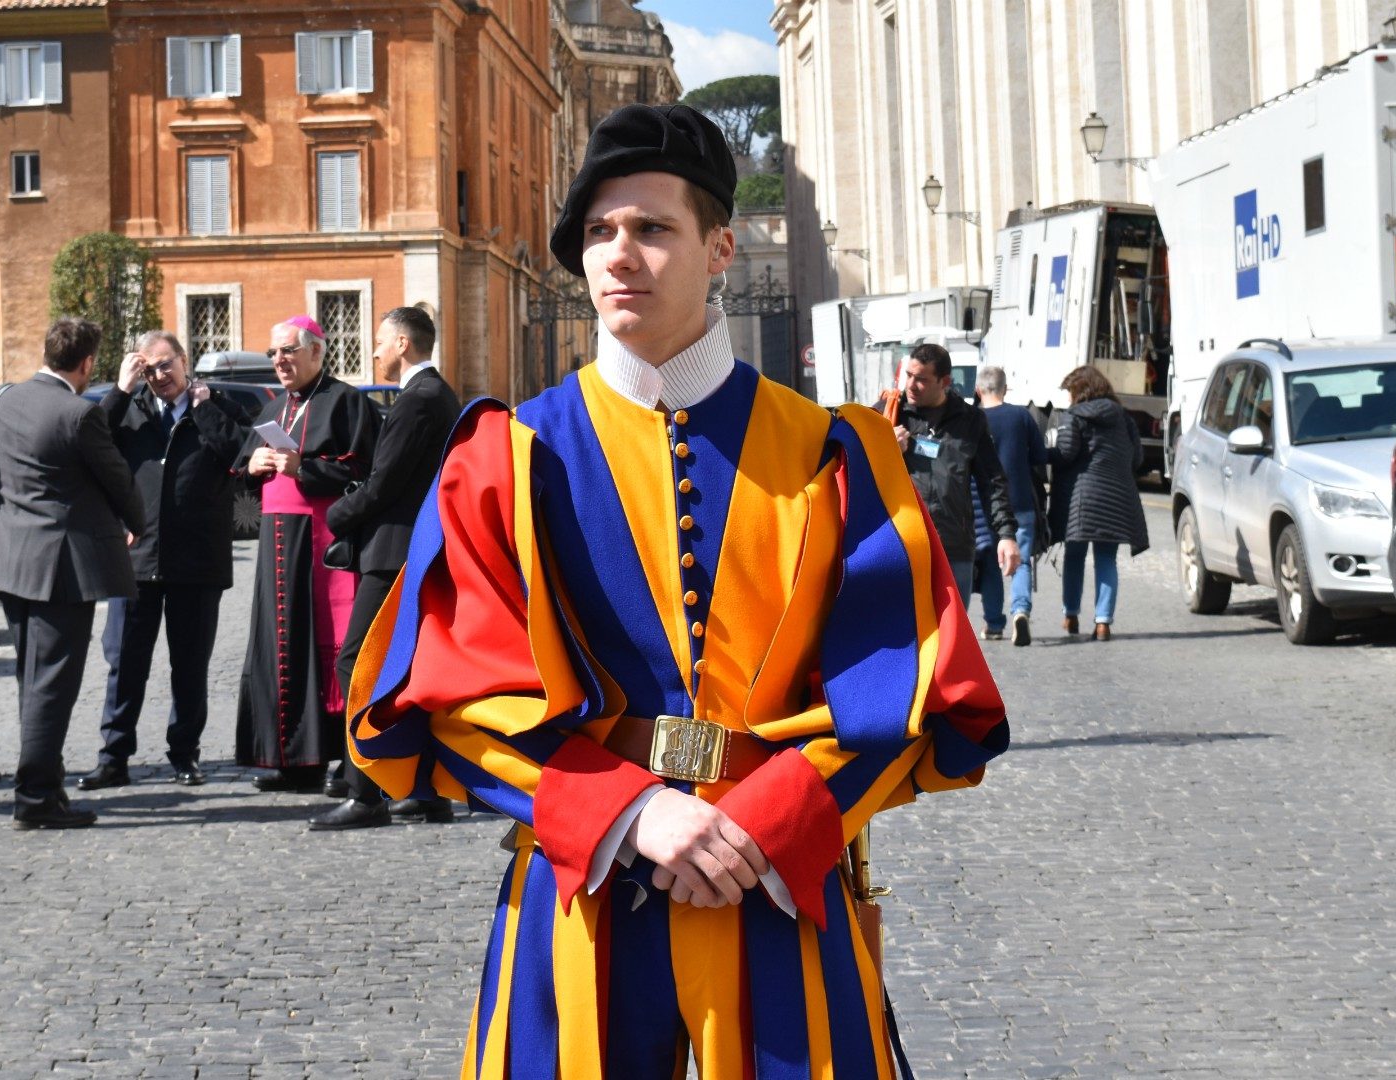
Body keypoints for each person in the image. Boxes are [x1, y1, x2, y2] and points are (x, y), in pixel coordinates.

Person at [346, 103, 1009, 1077]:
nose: (620, 254)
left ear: (721, 248)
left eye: (653, 228)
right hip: (586, 881)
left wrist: (768, 818)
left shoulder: (835, 455)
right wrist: (632, 811)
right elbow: (451, 692)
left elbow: (908, 687)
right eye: (599, 232)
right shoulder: (507, 458)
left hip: (777, 872)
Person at [0, 318, 145, 829]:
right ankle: (36, 797)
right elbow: (117, 479)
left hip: (12, 558)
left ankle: (43, 782)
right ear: (88, 363)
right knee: (52, 683)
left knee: (33, 679)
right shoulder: (79, 414)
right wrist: (137, 522)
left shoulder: (5, 400)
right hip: (61, 564)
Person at [308, 306, 461, 830]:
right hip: (410, 548)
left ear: (401, 342)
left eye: (378, 341)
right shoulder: (433, 394)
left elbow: (386, 482)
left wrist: (338, 515)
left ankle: (365, 791)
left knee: (361, 665)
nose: (372, 351)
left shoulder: (419, 399)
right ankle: (419, 790)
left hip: (394, 549)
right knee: (407, 670)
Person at [77, 330, 250, 791]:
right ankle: (113, 757)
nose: (158, 376)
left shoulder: (216, 407)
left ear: (184, 359)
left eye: (165, 364)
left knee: (190, 665)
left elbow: (243, 453)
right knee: (125, 664)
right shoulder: (129, 412)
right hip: (136, 559)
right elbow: (86, 439)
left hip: (197, 561)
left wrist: (204, 408)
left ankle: (185, 753)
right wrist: (119, 389)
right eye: (148, 368)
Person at [236, 316, 378, 793]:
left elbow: (366, 469)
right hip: (278, 541)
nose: (279, 361)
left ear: (317, 352)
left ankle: (345, 762)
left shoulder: (347, 401)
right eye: (273, 353)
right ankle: (294, 759)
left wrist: (306, 467)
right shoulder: (275, 407)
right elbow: (242, 475)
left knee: (330, 647)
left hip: (323, 544)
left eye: (289, 351)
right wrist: (252, 464)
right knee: (284, 647)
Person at [889, 342, 1020, 602]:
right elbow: (853, 468)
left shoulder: (970, 420)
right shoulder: (890, 414)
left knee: (951, 636)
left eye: (922, 380)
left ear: (944, 381)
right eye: (909, 376)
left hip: (954, 547)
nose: (911, 385)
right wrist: (885, 449)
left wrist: (1006, 534)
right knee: (909, 637)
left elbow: (992, 481)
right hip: (902, 545)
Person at [1048, 365, 1150, 640]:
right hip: (1117, 498)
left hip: (1082, 498)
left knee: (1074, 556)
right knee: (1107, 559)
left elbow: (1067, 453)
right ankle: (1103, 622)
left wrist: (1044, 455)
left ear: (1080, 391)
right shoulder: (1124, 418)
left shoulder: (1075, 417)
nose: (1069, 398)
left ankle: (1071, 615)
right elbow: (1137, 459)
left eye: (1071, 392)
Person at [972, 365, 1049, 646]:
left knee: (993, 562)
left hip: (986, 502)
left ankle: (994, 624)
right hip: (1020, 499)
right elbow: (1040, 456)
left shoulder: (973, 419)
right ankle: (1020, 612)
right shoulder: (1021, 416)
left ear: (979, 390)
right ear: (1005, 389)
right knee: (1021, 559)